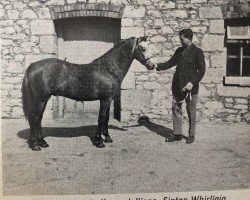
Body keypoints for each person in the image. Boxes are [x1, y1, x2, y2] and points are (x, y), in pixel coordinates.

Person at [156, 29, 206, 144]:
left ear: (188, 38)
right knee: (176, 108)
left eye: (182, 39)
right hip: (177, 85)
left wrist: (192, 83)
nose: (180, 41)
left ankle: (191, 135)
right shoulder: (179, 51)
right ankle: (177, 133)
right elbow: (170, 63)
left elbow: (202, 70)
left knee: (191, 111)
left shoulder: (198, 52)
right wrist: (157, 66)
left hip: (190, 88)